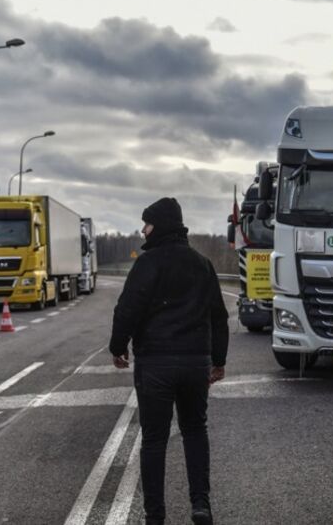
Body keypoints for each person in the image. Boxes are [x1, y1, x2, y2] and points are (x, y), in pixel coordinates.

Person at [109, 197, 229, 525]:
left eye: (147, 223)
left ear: (159, 225)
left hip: (156, 365)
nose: (143, 230)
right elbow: (218, 316)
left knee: (154, 439)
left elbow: (127, 308)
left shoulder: (147, 265)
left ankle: (155, 516)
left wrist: (118, 346)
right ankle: (201, 505)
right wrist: (218, 359)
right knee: (194, 430)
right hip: (194, 363)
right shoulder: (202, 264)